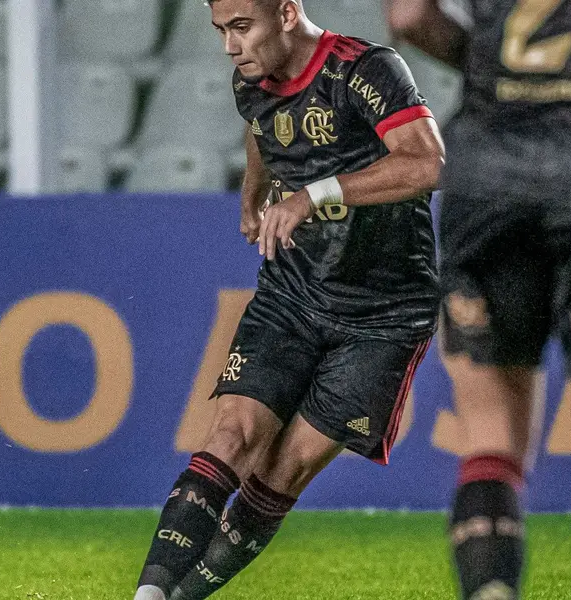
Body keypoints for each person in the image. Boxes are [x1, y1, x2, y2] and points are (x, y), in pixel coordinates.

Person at [133, 0, 445, 598]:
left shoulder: (367, 70)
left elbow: (427, 164)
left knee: (282, 472)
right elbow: (265, 129)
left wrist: (311, 195)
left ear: (286, 12)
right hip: (293, 293)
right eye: (222, 31)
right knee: (231, 435)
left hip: (384, 315)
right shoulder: (250, 81)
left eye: (242, 27)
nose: (231, 46)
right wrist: (254, 191)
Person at [388, 1, 571, 598]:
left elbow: (409, 17)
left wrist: (498, 66)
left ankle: (491, 588)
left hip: (491, 181)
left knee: (489, 435)